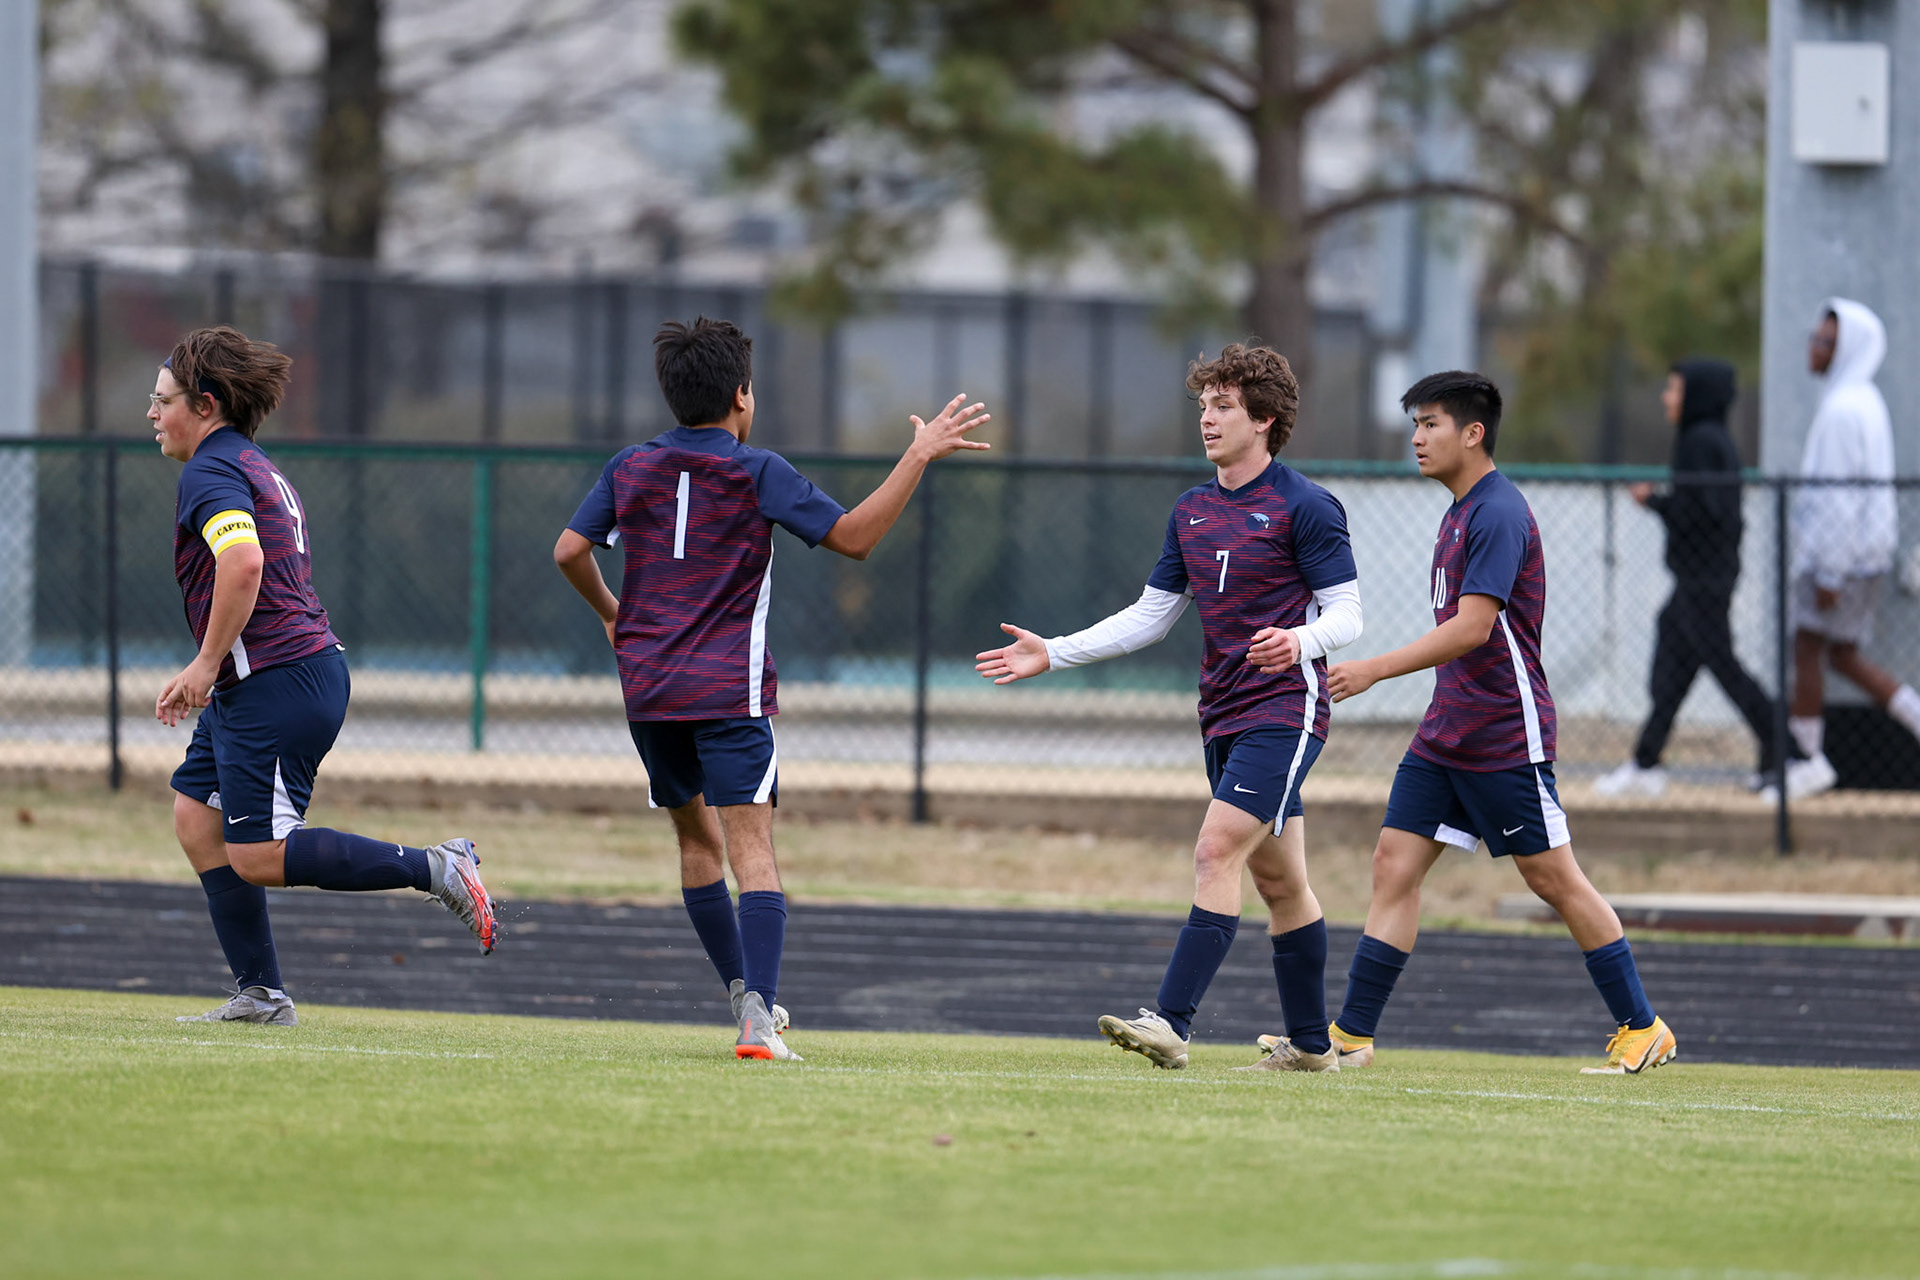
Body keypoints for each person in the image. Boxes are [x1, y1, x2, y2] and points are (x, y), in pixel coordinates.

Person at [555, 317, 989, 1062]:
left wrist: (613, 614)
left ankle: (742, 994)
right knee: (751, 847)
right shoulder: (757, 471)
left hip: (650, 688)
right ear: (741, 396)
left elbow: (568, 550)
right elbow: (854, 538)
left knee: (696, 840)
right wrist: (917, 455)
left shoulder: (630, 466)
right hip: (729, 692)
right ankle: (757, 1017)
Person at [975, 342, 1363, 1073]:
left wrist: (1300, 641)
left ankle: (1170, 1022)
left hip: (1285, 709)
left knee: (1215, 850)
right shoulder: (1192, 511)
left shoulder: (1305, 505)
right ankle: (1314, 1047)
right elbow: (1151, 617)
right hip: (1221, 714)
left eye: (1224, 407)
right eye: (1204, 406)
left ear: (1265, 419)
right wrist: (1053, 651)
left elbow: (1349, 615)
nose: (1208, 420)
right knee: (1282, 884)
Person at [1318, 371, 1676, 1075]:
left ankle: (1644, 1026)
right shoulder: (1458, 510)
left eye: (1430, 424)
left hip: (1503, 733)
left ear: (1473, 433)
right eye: (1415, 425)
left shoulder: (1498, 512)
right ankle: (1350, 1037)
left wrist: (1373, 669)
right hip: (1447, 730)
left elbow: (1474, 629)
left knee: (1554, 881)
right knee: (1393, 865)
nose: (1417, 438)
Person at [154, 327, 497, 1027]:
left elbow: (243, 564)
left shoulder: (210, 471)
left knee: (254, 853)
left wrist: (206, 662)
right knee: (198, 817)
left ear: (207, 404)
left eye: (163, 401)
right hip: (279, 675)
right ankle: (261, 992)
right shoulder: (251, 462)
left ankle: (437, 868)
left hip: (275, 681)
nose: (153, 414)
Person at [1596, 359, 1793, 797]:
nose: (1667, 398)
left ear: (1696, 396)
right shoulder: (1707, 439)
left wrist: (1656, 503)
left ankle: (1789, 753)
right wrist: (1666, 504)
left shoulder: (1699, 442)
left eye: (1674, 389)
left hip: (1704, 579)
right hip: (1698, 577)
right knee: (1672, 666)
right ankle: (1646, 763)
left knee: (1723, 666)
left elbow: (1702, 513)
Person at [1774, 298, 1917, 800]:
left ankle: (1807, 760)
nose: (1814, 348)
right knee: (1843, 654)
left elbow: (1837, 498)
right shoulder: (1865, 400)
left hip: (1844, 557)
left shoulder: (1841, 409)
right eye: (1815, 338)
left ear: (1847, 349)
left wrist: (1829, 572)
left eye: (1826, 342)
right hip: (1867, 553)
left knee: (1807, 647)